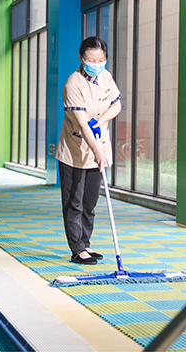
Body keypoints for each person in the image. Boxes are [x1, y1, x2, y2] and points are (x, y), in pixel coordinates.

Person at [55, 36, 121, 265]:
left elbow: (116, 105)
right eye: (91, 60)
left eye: (101, 59)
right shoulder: (73, 84)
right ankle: (77, 249)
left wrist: (100, 121)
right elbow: (83, 125)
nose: (96, 64)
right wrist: (97, 151)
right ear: (81, 59)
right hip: (74, 150)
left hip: (98, 147)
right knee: (74, 201)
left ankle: (86, 243)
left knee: (90, 202)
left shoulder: (106, 77)